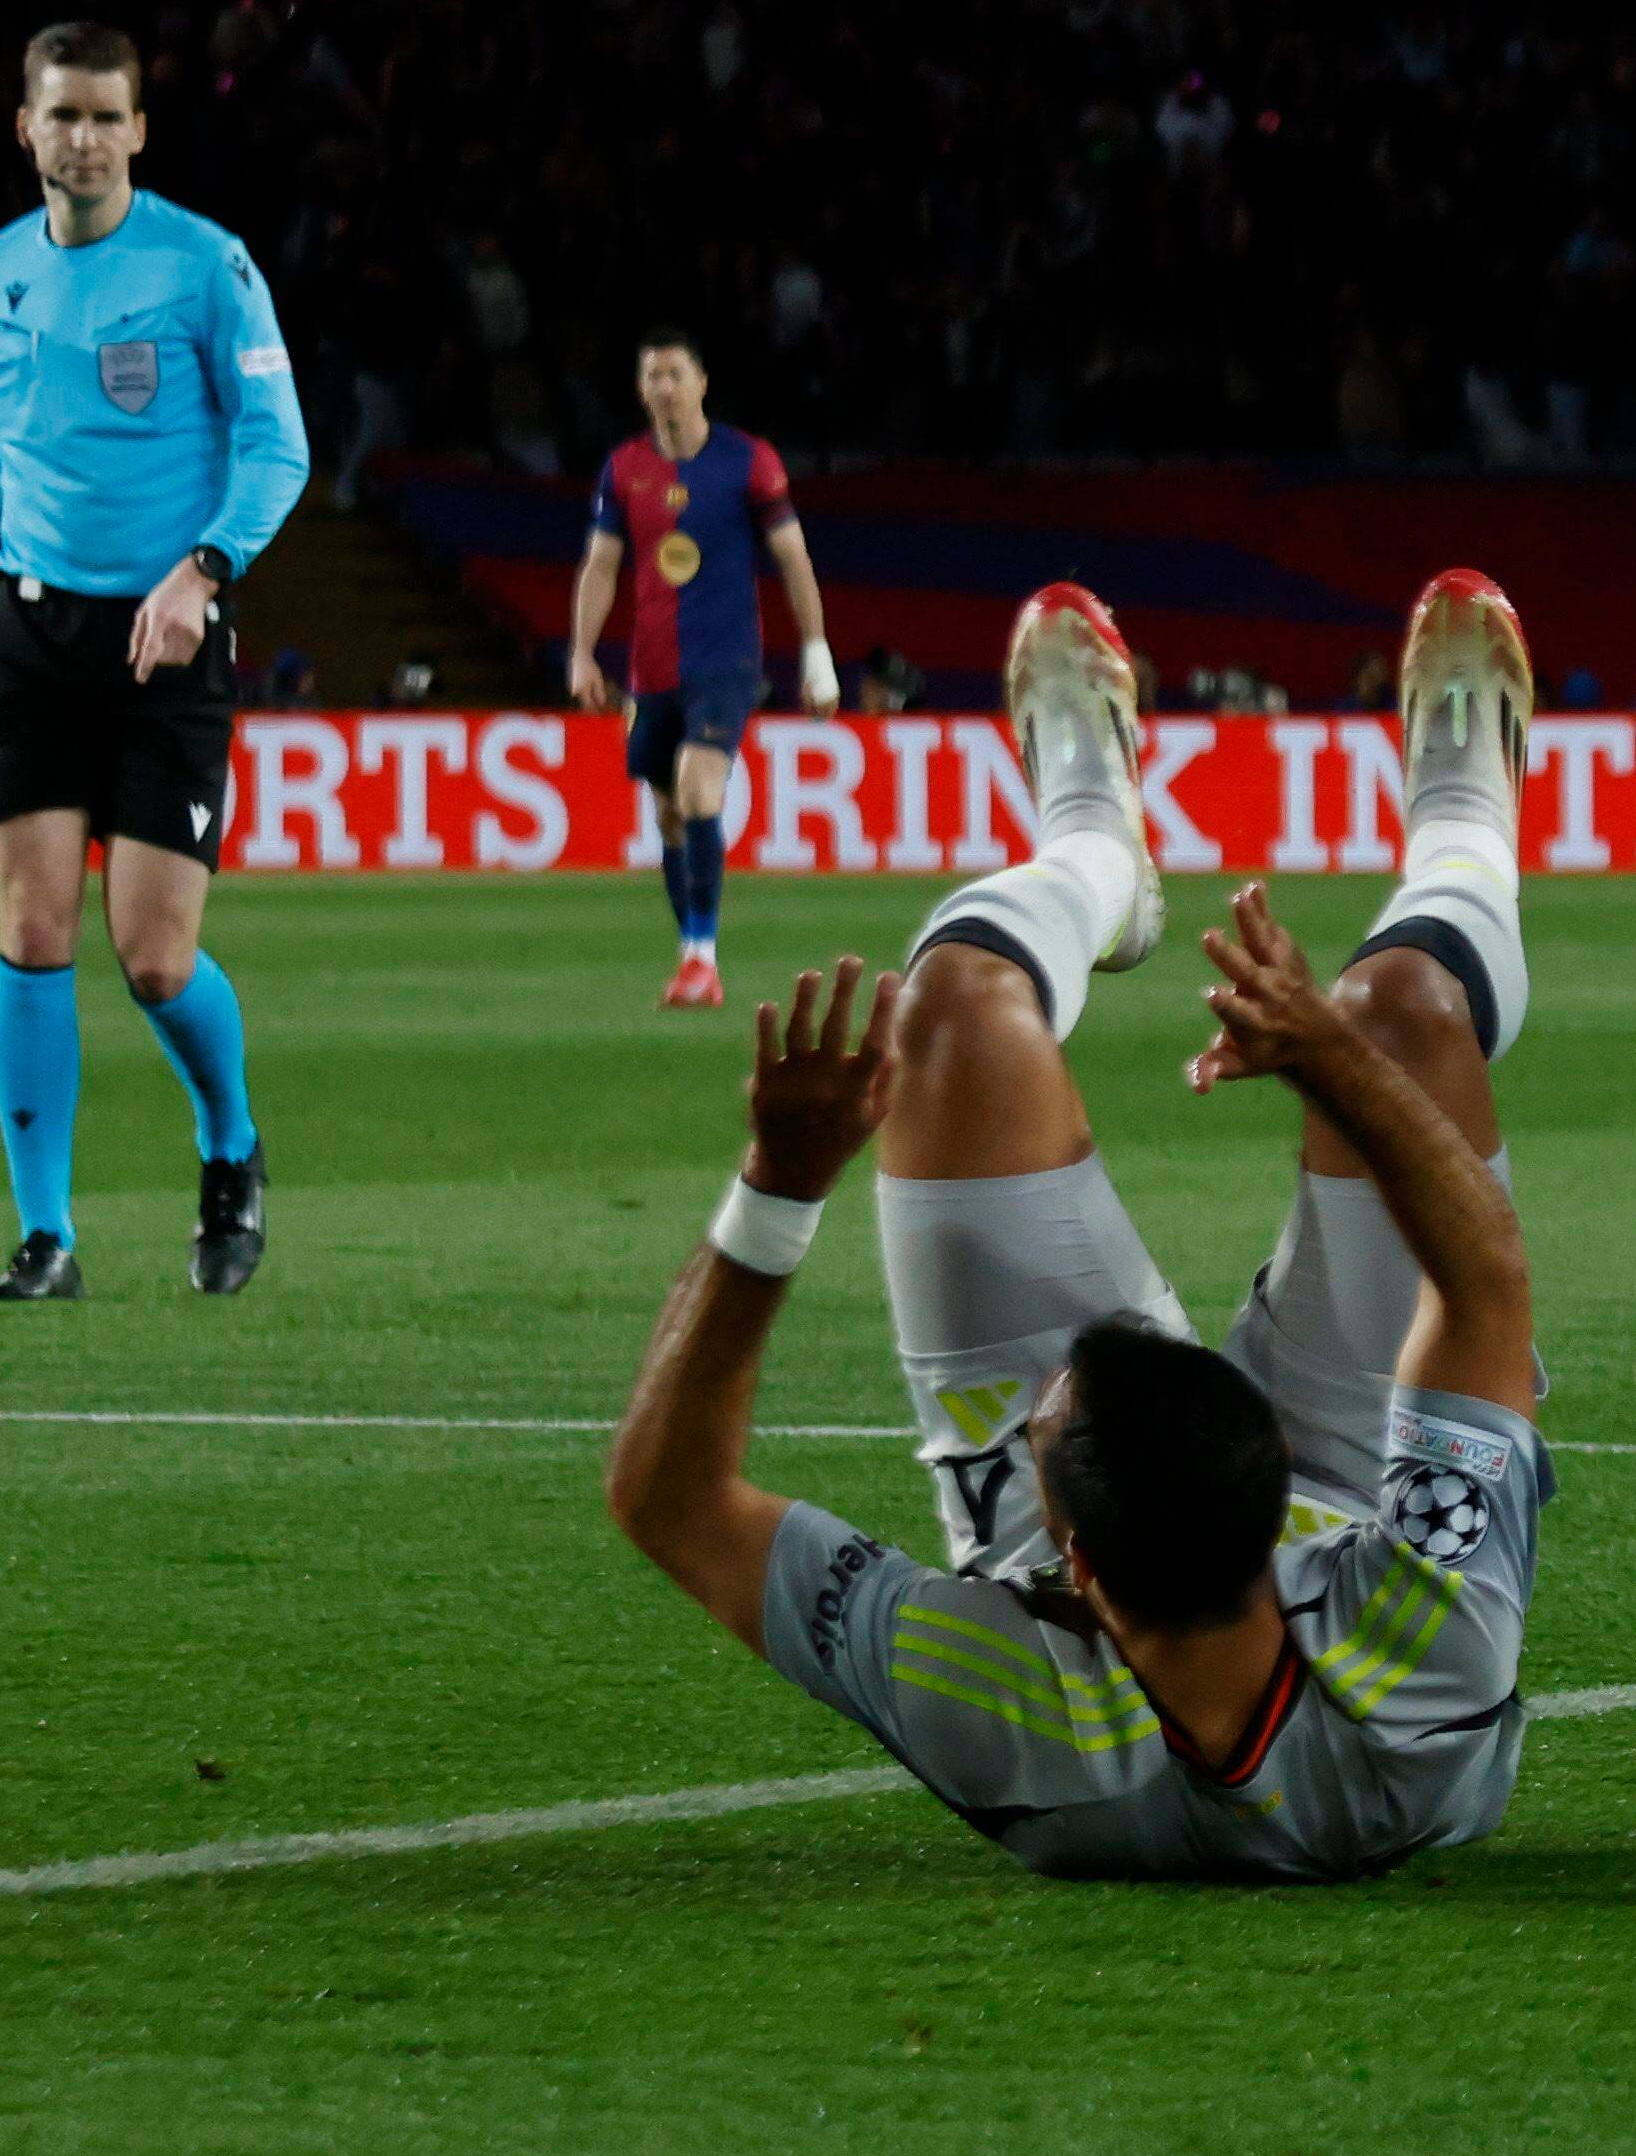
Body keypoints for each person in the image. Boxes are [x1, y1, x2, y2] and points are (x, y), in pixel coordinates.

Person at [600, 572, 1548, 1881]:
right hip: (1346, 1501)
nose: (1051, 1367)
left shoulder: (989, 1692)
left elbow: (667, 1495)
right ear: (1268, 1466)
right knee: (1402, 1009)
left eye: (1038, 1417)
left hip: (1162, 1555)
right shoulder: (1423, 1642)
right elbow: (1483, 1282)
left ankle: (1094, 829)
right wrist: (1331, 1054)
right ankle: (1466, 820)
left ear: (1075, 1568)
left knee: (946, 1016)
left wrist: (779, 1183)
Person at [0, 24, 306, 1302]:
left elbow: (279, 447)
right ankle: (45, 1234)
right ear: (23, 127)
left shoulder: (206, 268)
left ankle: (230, 1142)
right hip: (30, 633)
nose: (81, 136)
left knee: (152, 959)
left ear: (140, 131)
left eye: (104, 116)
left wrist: (205, 567)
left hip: (167, 635)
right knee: (30, 925)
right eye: (59, 113)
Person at [568, 334, 841, 1010]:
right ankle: (690, 947)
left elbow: (793, 558)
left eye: (675, 372)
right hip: (652, 666)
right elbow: (601, 566)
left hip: (726, 661)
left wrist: (815, 650)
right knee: (665, 813)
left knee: (697, 786)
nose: (664, 385)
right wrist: (580, 650)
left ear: (701, 381)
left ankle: (701, 959)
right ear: (641, 387)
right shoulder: (624, 467)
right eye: (652, 373)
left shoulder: (748, 461)